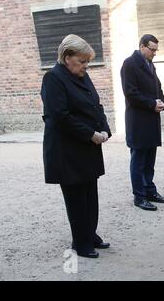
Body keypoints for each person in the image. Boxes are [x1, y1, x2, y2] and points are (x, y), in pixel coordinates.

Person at [40, 34, 112, 258]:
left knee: (90, 194)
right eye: (82, 61)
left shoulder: (82, 75)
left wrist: (105, 128)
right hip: (67, 150)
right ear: (67, 56)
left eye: (87, 61)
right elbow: (59, 116)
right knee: (76, 198)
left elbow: (96, 104)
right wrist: (90, 134)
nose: (85, 66)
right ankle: (80, 243)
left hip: (87, 146)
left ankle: (89, 234)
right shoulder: (53, 78)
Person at [120, 34, 164, 211]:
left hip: (151, 119)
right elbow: (130, 93)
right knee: (139, 159)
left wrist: (162, 101)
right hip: (138, 121)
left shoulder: (150, 65)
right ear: (142, 46)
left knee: (149, 160)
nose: (155, 53)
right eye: (152, 49)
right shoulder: (130, 64)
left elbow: (158, 87)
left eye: (156, 50)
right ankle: (139, 196)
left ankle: (149, 191)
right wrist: (151, 104)